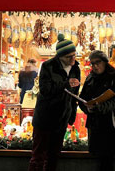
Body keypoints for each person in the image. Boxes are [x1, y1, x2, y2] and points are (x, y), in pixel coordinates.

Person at [28, 34, 81, 171]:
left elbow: (75, 94)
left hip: (61, 120)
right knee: (38, 157)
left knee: (54, 156)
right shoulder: (47, 66)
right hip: (45, 118)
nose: (73, 59)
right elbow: (45, 90)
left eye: (74, 55)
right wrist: (66, 83)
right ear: (60, 56)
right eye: (69, 56)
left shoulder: (76, 68)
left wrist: (72, 115)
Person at [78, 50, 115, 171]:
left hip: (111, 125)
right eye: (92, 63)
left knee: (108, 160)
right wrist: (87, 108)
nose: (95, 66)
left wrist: (100, 107)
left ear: (105, 62)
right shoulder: (90, 78)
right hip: (95, 125)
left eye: (98, 62)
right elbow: (82, 99)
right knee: (99, 159)